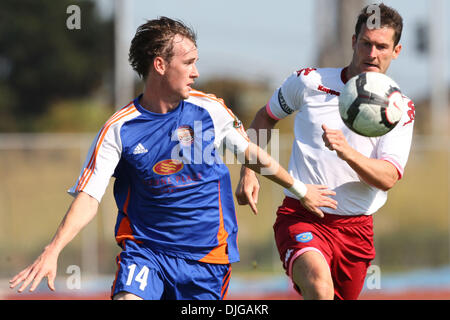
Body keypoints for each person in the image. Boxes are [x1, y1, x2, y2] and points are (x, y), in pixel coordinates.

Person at [9, 17, 337, 300]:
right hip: (146, 252)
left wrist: (299, 189)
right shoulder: (119, 129)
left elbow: (249, 151)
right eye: (189, 62)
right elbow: (88, 197)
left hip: (207, 258)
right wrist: (53, 250)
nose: (196, 72)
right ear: (160, 66)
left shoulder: (209, 109)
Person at [235, 4, 415, 300]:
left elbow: (388, 177)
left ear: (396, 51)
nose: (372, 53)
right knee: (319, 285)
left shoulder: (399, 108)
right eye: (366, 43)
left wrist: (347, 153)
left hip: (355, 230)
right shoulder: (309, 82)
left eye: (382, 46)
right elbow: (266, 116)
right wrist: (249, 171)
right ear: (354, 42)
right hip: (301, 215)